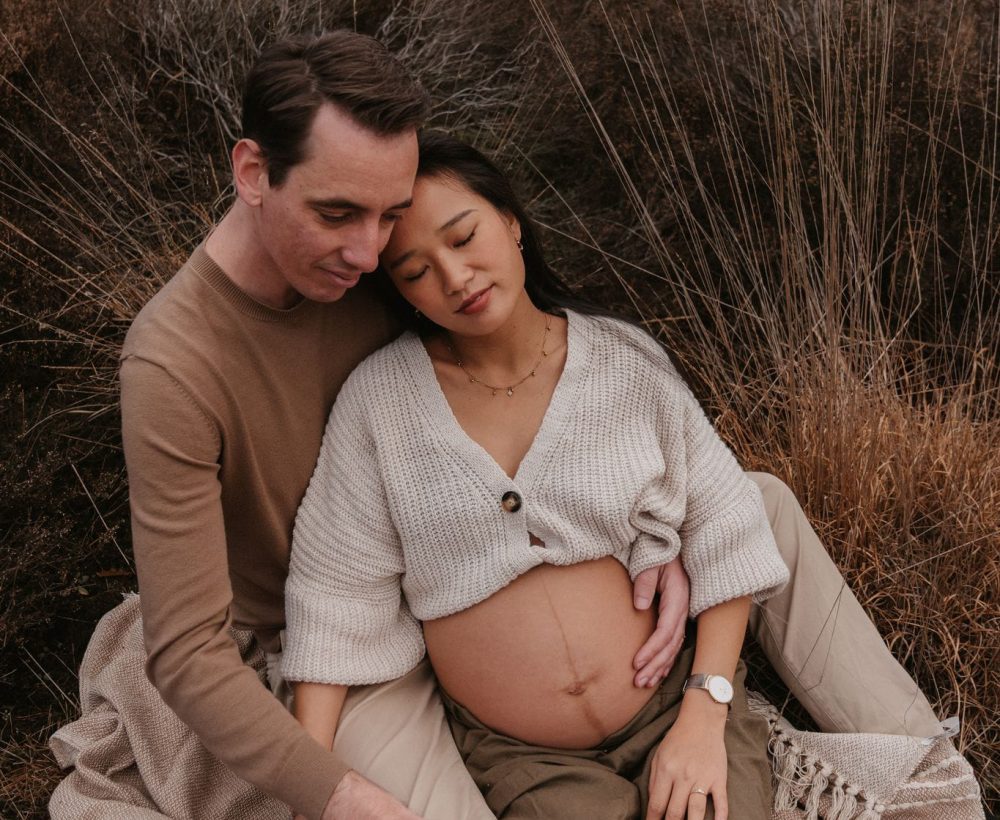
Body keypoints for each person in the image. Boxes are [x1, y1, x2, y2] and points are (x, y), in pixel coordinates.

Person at [48, 29, 945, 820]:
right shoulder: (177, 364)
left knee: (755, 502)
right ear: (251, 173)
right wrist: (330, 796)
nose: (370, 254)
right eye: (339, 216)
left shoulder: (391, 264)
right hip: (347, 636)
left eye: (387, 214)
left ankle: (928, 775)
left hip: (492, 570)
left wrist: (656, 534)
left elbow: (560, 395)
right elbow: (196, 650)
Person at [278, 132, 944, 819]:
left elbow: (726, 527)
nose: (454, 277)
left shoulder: (625, 365)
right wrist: (308, 788)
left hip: (673, 710)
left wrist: (704, 710)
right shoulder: (378, 405)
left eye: (463, 236)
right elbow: (334, 601)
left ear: (510, 221)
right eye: (415, 270)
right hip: (527, 760)